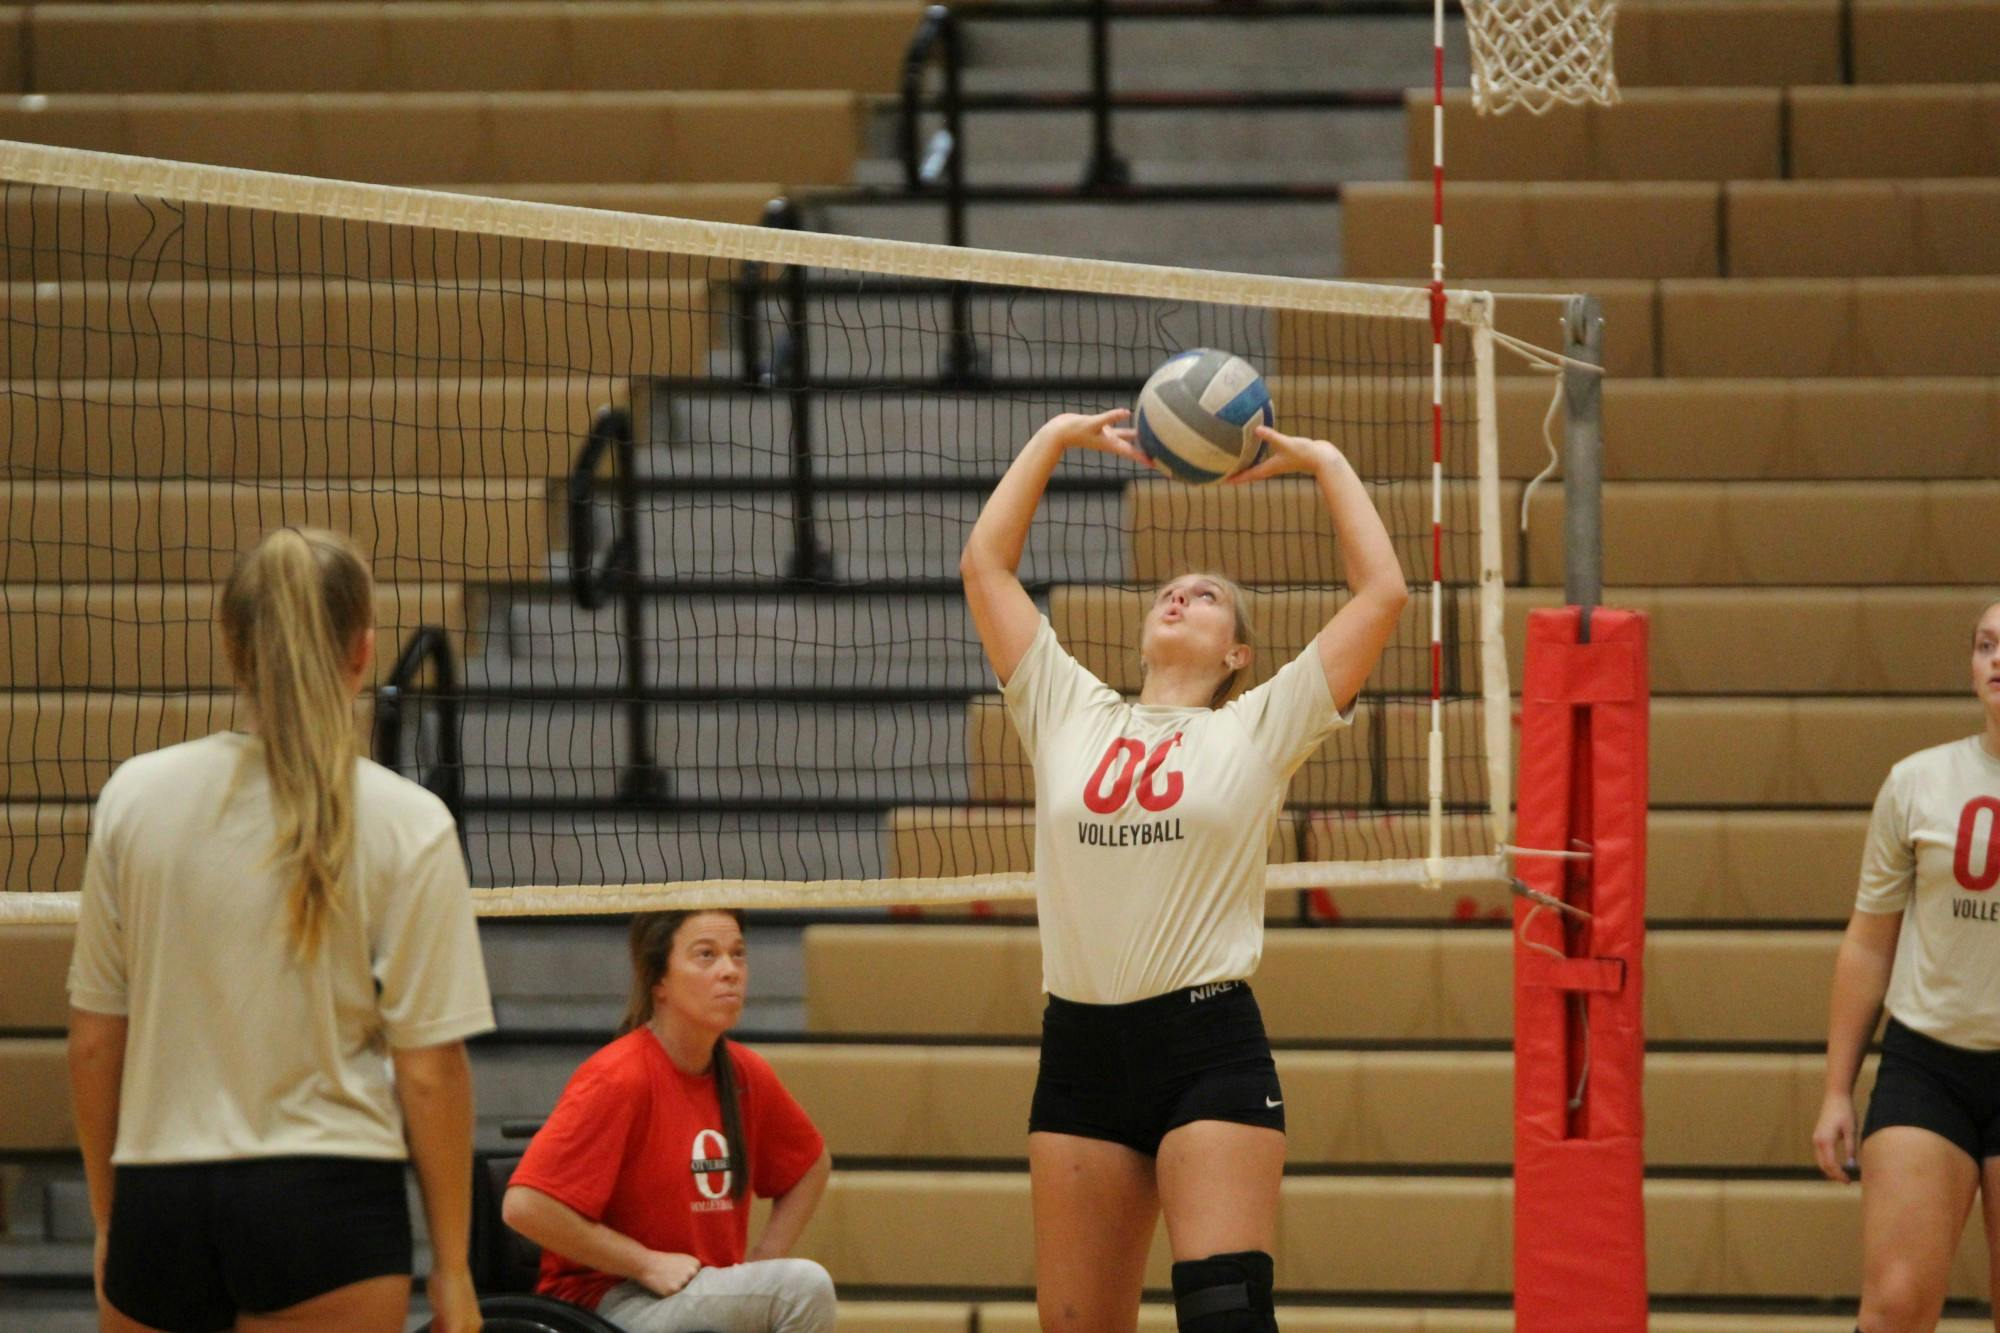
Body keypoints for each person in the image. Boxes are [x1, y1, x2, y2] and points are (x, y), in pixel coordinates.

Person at [959, 409, 1408, 1333]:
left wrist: (1324, 460)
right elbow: (985, 567)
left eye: (1207, 598)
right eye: (1171, 589)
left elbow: (1382, 594)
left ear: (1237, 653)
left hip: (1206, 1045)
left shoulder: (1258, 724)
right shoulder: (1067, 708)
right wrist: (1051, 439)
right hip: (1080, 1050)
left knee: (1225, 1311)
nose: (1182, 596)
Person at [66, 526, 494, 1333]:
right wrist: (454, 1267)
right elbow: (430, 1070)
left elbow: (94, 1041)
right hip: (327, 1200)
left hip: (163, 1193)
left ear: (231, 643)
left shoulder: (135, 797)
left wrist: (110, 1219)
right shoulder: (410, 822)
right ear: (364, 650)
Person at [504, 910, 835, 1333]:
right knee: (802, 1288)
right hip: (604, 1305)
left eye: (738, 955)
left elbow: (811, 1165)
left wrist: (764, 1258)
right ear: (658, 979)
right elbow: (525, 1207)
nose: (730, 971)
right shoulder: (619, 1076)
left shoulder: (745, 1075)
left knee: (788, 1287)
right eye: (706, 956)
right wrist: (644, 1263)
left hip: (697, 1293)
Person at [1813, 599, 2000, 1333]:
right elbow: (1869, 941)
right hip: (1930, 1066)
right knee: (1894, 1306)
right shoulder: (1917, 782)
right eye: (1987, 645)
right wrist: (1836, 1089)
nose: (1998, 660)